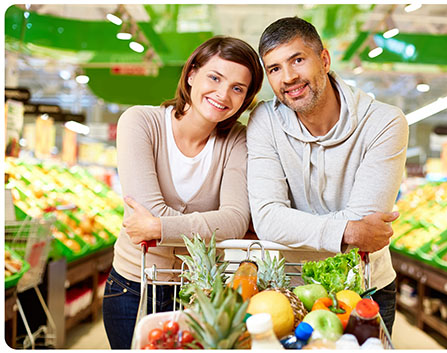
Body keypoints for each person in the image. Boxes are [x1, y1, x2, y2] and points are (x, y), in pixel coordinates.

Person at [247, 17, 408, 334]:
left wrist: (295, 226)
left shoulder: (384, 122)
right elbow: (267, 217)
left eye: (297, 60)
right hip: (287, 292)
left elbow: (367, 220)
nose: (289, 77)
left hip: (363, 289)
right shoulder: (264, 120)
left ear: (324, 59)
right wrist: (349, 229)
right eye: (275, 68)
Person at [102, 36, 263, 349]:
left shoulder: (238, 141)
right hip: (133, 289)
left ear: (245, 99)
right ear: (192, 75)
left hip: (199, 295)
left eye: (237, 88)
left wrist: (160, 227)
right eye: (214, 78)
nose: (223, 94)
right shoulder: (140, 123)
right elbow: (146, 211)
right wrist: (203, 226)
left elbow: (234, 220)